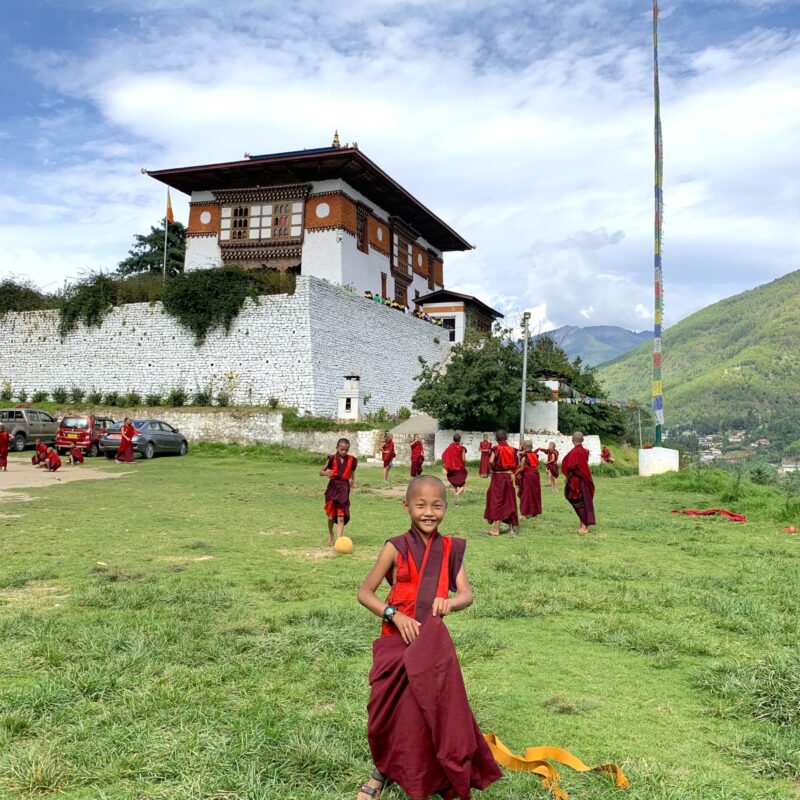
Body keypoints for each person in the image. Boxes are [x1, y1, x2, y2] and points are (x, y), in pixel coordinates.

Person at [356, 475, 503, 800]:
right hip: (396, 641)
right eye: (420, 504)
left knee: (431, 713)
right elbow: (365, 593)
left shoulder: (450, 549)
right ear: (406, 505)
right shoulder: (394, 547)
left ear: (446, 508)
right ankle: (383, 769)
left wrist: (450, 601)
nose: (428, 512)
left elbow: (467, 594)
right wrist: (394, 614)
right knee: (386, 714)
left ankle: (428, 775)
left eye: (436, 505)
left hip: (432, 647)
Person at [320, 437, 357, 546]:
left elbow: (352, 474)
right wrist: (326, 473)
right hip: (332, 488)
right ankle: (331, 534)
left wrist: (353, 483)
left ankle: (339, 541)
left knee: (341, 516)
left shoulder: (352, 460)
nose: (344, 452)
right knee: (331, 516)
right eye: (342, 449)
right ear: (337, 448)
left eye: (346, 450)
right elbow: (321, 471)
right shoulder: (331, 458)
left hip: (344, 489)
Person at [483, 429, 519, 536]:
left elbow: (490, 461)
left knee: (497, 500)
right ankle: (511, 529)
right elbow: (516, 463)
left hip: (498, 477)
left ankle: (496, 529)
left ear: (496, 438)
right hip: (509, 476)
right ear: (506, 438)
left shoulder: (496, 449)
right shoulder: (512, 449)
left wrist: (493, 468)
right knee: (510, 500)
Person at [561, 431, 596, 534]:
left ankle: (585, 526)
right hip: (585, 479)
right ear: (583, 440)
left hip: (576, 481)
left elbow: (571, 467)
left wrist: (568, 479)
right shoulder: (585, 451)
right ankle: (582, 524)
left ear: (572, 440)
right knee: (583, 501)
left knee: (578, 502)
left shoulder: (574, 452)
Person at [516, 441, 542, 519]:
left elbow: (521, 468)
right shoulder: (535, 455)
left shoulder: (525, 456)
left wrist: (514, 472)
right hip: (536, 476)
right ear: (532, 447)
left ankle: (524, 513)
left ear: (524, 447)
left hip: (528, 476)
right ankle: (535, 512)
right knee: (535, 494)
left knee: (526, 494)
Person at [441, 432, 468, 504]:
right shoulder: (462, 448)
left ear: (453, 439)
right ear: (460, 439)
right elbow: (464, 459)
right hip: (460, 468)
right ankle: (457, 494)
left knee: (455, 485)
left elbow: (444, 455)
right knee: (462, 485)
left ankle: (456, 502)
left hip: (452, 469)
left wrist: (447, 463)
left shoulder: (450, 447)